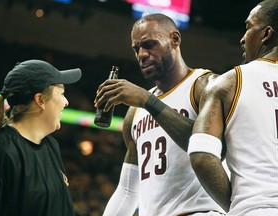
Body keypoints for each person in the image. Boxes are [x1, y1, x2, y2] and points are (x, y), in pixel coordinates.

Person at [94, 13, 226, 216]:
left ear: (175, 40)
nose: (142, 54)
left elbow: (215, 149)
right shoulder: (135, 112)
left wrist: (148, 101)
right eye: (136, 49)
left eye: (149, 44)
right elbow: (128, 191)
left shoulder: (206, 86)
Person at [188, 0, 278, 215]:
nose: (242, 38)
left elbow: (201, 155)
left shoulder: (229, 83)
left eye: (248, 28)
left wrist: (238, 206)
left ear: (266, 34)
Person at [0, 59, 82, 216]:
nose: (66, 102)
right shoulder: (0, 151)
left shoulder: (51, 144)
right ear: (40, 100)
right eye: (61, 94)